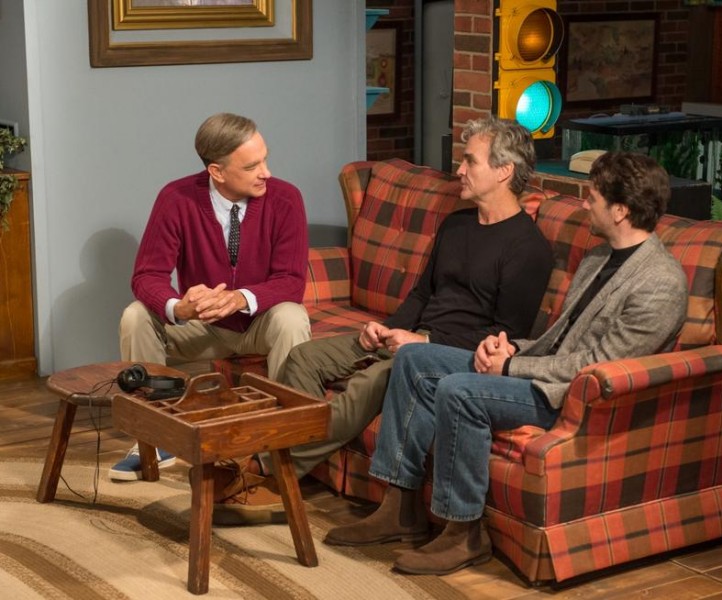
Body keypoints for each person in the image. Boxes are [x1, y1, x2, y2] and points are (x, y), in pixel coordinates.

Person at [322, 151, 690, 576]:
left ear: (621, 210)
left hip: (572, 396)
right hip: (540, 370)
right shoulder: (598, 258)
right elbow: (559, 340)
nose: (585, 204)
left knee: (458, 391)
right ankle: (399, 506)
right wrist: (510, 348)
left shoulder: (660, 283)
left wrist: (512, 369)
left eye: (593, 198)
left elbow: (597, 365)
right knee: (414, 358)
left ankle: (464, 533)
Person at [210, 116, 555, 525]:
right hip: (408, 336)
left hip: (445, 355)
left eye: (470, 161)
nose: (459, 170)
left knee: (368, 383)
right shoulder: (457, 224)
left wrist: (423, 343)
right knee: (303, 358)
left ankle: (266, 470)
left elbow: (505, 336)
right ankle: (290, 469)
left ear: (504, 171)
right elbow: (423, 293)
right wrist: (387, 327)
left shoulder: (527, 248)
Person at [110, 112, 310, 481]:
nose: (266, 172)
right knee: (136, 315)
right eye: (252, 166)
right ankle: (152, 441)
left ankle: (281, 443)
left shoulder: (286, 199)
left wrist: (240, 298)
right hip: (201, 327)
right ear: (217, 171)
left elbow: (291, 281)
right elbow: (147, 275)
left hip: (258, 325)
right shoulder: (176, 198)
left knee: (291, 317)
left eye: (265, 159)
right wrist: (179, 307)